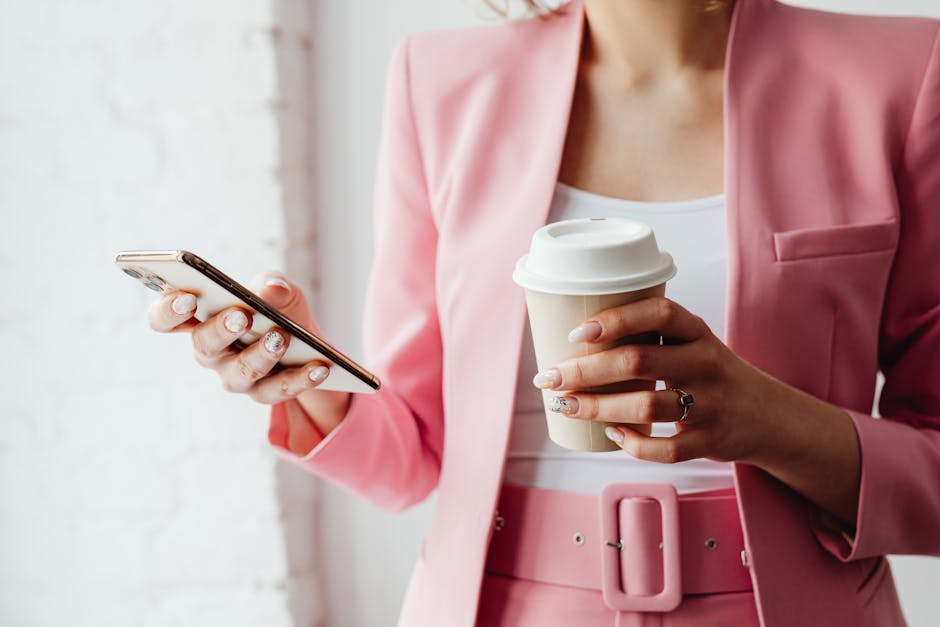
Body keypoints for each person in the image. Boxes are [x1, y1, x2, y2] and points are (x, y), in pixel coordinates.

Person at [147, 0, 940, 624]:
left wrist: (763, 417)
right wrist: (303, 371)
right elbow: (414, 454)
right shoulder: (439, 82)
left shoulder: (902, 74)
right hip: (502, 607)